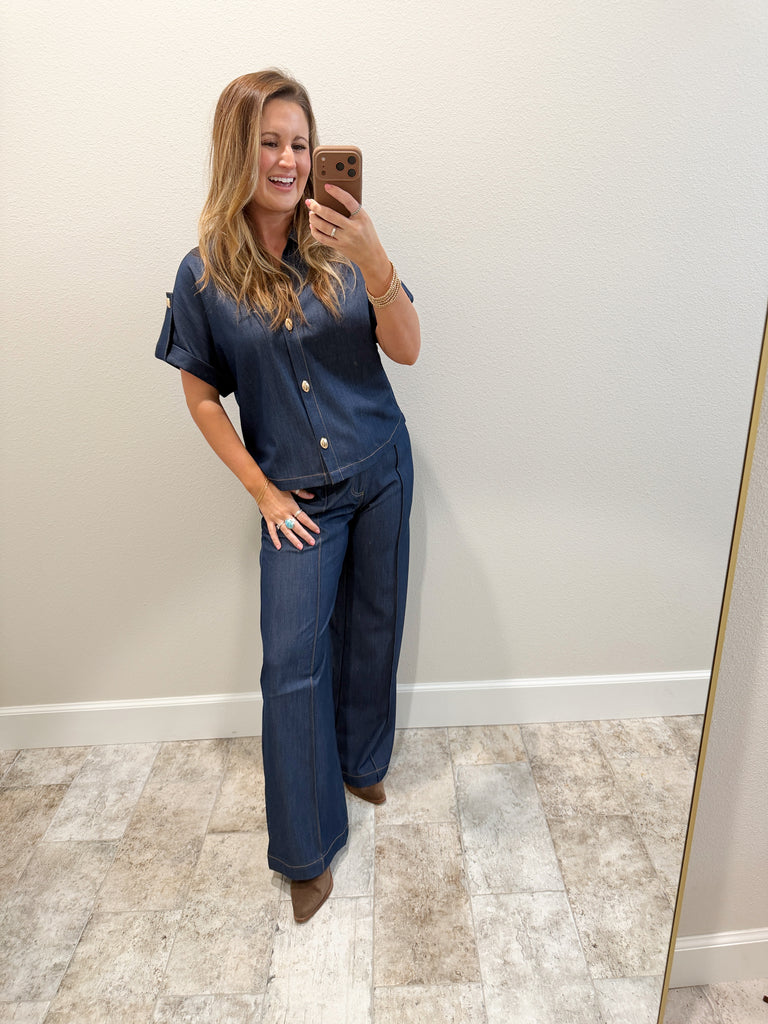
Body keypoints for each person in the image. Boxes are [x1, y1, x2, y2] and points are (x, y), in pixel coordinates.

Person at [155, 70, 419, 923]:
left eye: (300, 143)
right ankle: (306, 850)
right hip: (297, 500)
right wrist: (263, 493)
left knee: (374, 627)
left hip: (381, 467)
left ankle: (362, 764)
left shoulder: (345, 242)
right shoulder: (203, 273)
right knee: (290, 663)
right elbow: (202, 396)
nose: (288, 159)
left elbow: (408, 348)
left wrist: (375, 260)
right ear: (238, 150)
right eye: (269, 141)